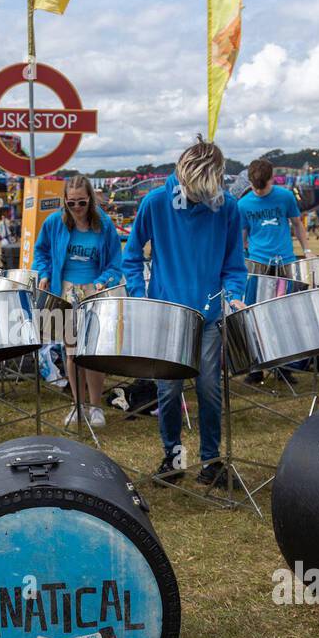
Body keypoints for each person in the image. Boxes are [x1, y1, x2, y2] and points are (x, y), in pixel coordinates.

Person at [122, 138, 247, 485]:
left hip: (207, 315)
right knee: (169, 391)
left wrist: (233, 296)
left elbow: (234, 265)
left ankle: (211, 462)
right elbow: (131, 256)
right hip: (166, 314)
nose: (200, 198)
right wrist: (141, 296)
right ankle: (173, 457)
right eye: (194, 191)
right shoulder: (155, 202)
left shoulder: (228, 207)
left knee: (209, 388)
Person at [32, 174, 124, 428]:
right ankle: (78, 405)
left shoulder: (104, 225)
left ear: (90, 200)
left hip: (93, 292)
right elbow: (41, 253)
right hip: (65, 292)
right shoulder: (54, 223)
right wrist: (44, 275)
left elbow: (116, 263)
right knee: (70, 351)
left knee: (92, 351)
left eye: (81, 203)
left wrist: (104, 280)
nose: (76, 209)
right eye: (70, 203)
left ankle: (96, 407)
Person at [238, 159, 311, 270]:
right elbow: (242, 235)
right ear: (249, 181)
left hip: (285, 260)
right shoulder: (242, 204)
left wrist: (307, 250)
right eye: (255, 187)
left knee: (289, 288)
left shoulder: (286, 196)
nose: (258, 191)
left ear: (272, 178)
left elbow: (297, 224)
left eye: (263, 187)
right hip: (257, 262)